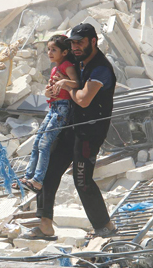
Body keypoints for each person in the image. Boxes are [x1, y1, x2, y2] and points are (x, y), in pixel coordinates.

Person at [23, 23, 117, 240]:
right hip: (70, 126)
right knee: (48, 169)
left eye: (80, 42)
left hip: (89, 132)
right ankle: (45, 225)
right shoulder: (78, 61)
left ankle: (106, 226)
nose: (75, 46)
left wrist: (67, 86)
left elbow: (83, 100)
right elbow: (63, 80)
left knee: (82, 179)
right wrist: (55, 88)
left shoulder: (100, 68)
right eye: (73, 42)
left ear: (93, 41)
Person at [19, 35, 78, 193]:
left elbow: (78, 83)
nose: (50, 53)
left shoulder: (67, 66)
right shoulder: (54, 69)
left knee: (45, 143)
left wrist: (64, 82)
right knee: (38, 141)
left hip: (62, 108)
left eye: (54, 50)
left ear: (65, 52)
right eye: (48, 50)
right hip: (53, 107)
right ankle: (28, 177)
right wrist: (48, 91)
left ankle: (37, 181)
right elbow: (48, 91)